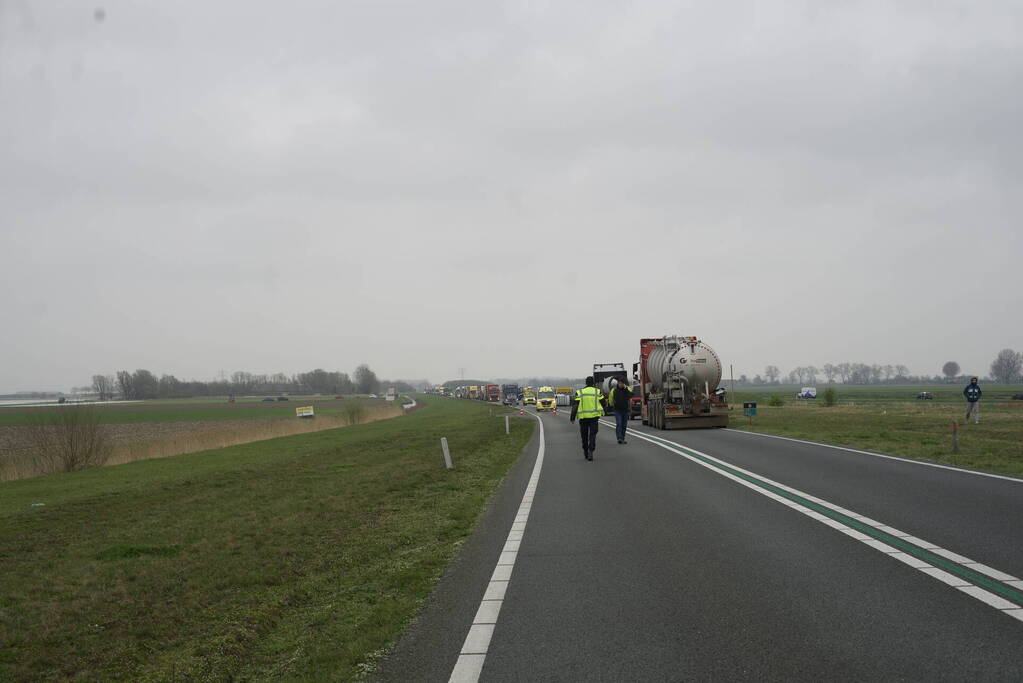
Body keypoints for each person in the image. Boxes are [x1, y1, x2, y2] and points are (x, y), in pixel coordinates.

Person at [570, 376, 607, 461]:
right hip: (594, 417)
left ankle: (586, 451)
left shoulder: (580, 392)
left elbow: (575, 405)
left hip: (583, 418)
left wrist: (572, 417)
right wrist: (605, 411)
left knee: (584, 436)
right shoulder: (597, 391)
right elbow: (603, 402)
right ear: (593, 383)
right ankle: (591, 449)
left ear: (586, 383)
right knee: (592, 435)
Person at [608, 379, 632, 444]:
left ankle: (623, 438)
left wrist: (625, 388)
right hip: (617, 410)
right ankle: (619, 438)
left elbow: (631, 392)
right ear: (617, 384)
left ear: (624, 384)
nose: (620, 384)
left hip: (625, 410)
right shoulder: (614, 390)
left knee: (624, 425)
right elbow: (610, 398)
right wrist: (612, 405)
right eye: (619, 383)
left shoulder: (626, 389)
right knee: (619, 423)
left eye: (622, 383)